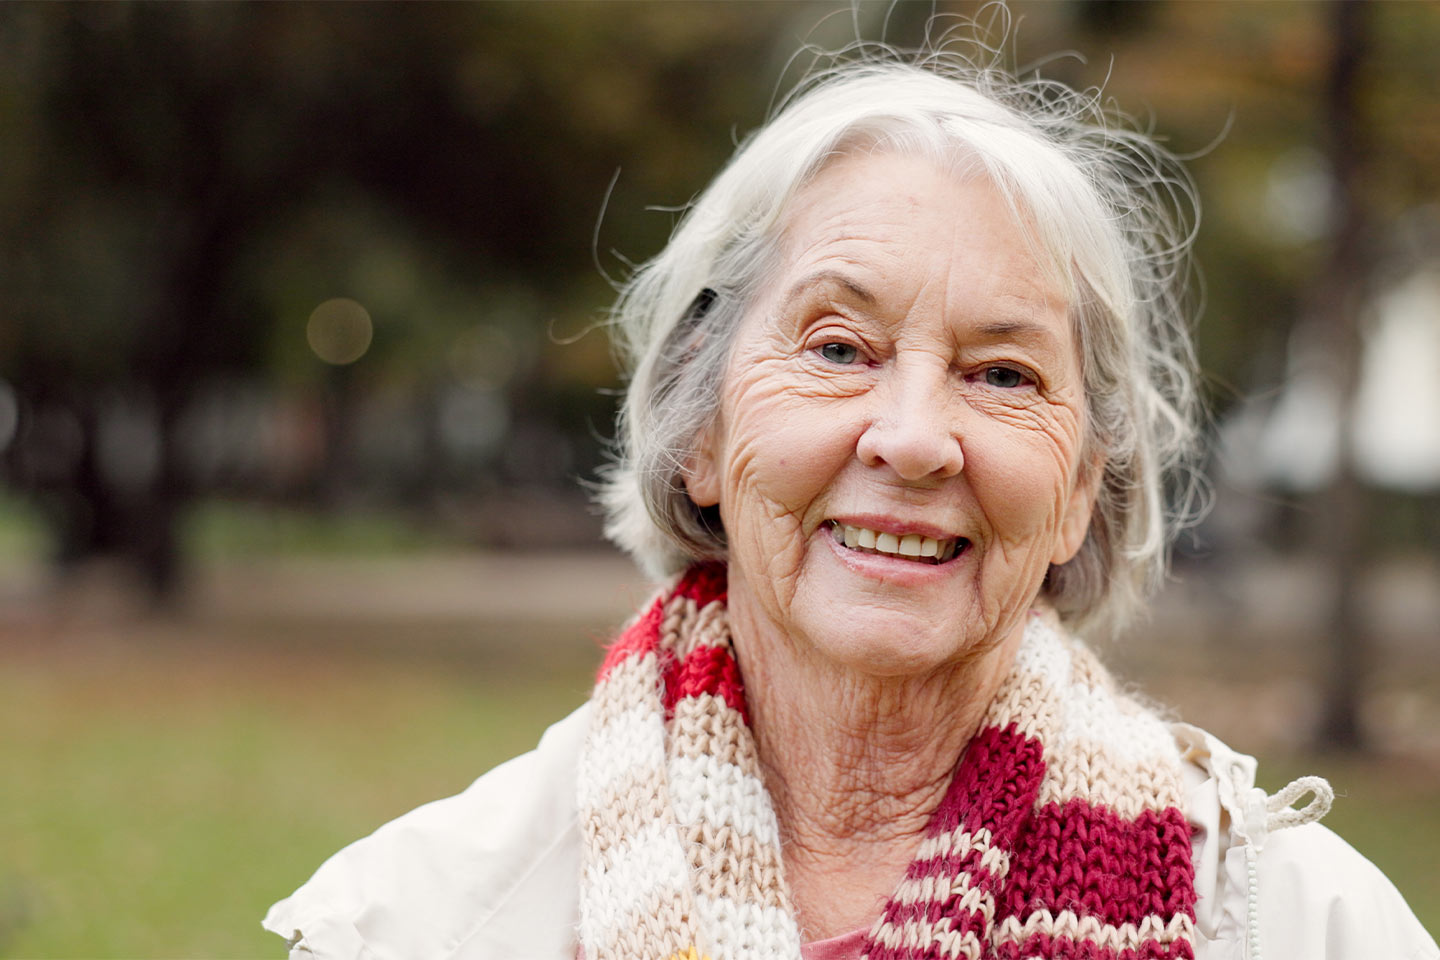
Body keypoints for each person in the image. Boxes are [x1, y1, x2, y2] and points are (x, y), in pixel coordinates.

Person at [263, 44, 1439, 960]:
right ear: (703, 435)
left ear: (1083, 490)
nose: (917, 438)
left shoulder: (1296, 922)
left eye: (1002, 374)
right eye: (837, 348)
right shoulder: (424, 919)